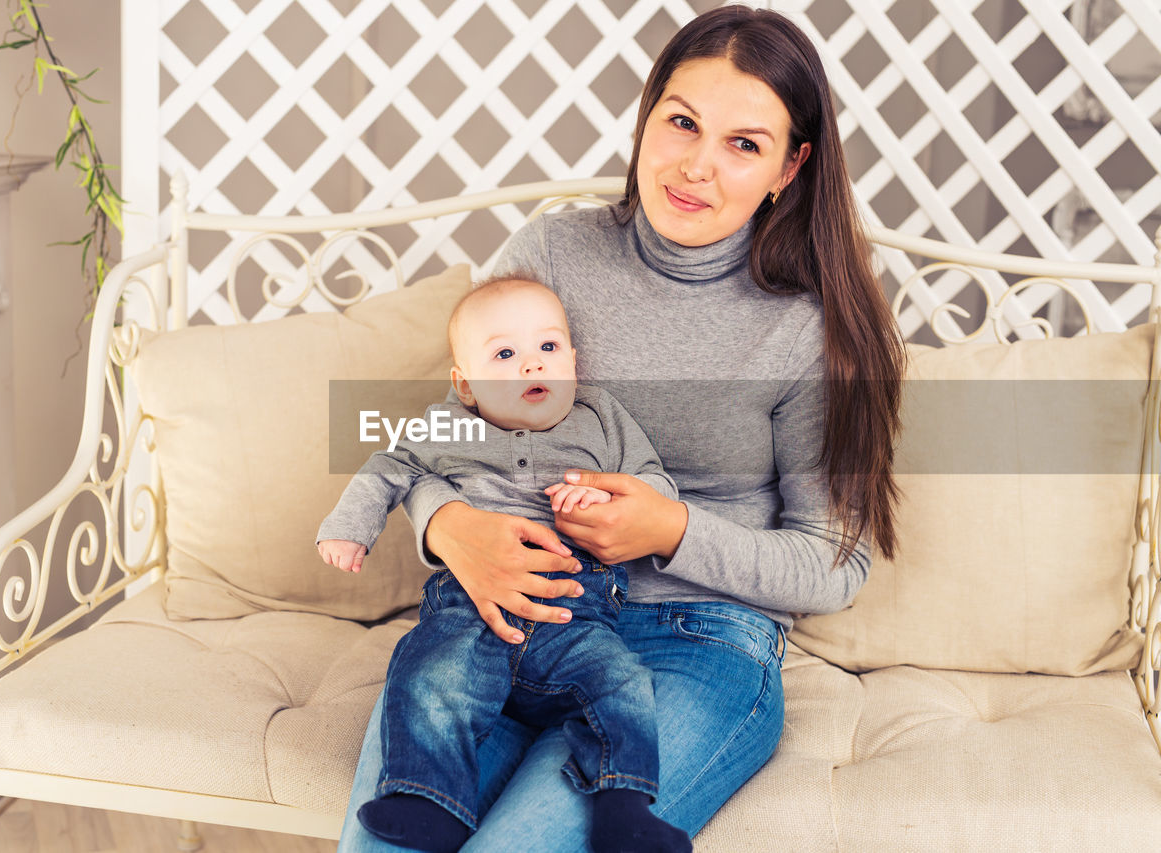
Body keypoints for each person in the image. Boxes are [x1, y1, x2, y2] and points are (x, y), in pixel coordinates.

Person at [340, 4, 905, 850]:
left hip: (698, 642)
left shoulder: (806, 327)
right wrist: (450, 528)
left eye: (743, 144)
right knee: (389, 838)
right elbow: (443, 439)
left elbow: (837, 562)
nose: (695, 166)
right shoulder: (553, 255)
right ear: (647, 119)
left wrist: (668, 528)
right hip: (505, 610)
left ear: (791, 166)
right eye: (681, 122)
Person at [318, 278, 689, 853]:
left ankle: (624, 805)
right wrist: (349, 527)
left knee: (623, 682)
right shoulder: (449, 426)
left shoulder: (602, 417)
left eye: (547, 348)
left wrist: (612, 499)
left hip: (577, 612)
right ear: (465, 385)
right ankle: (425, 799)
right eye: (504, 355)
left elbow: (654, 483)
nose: (529, 367)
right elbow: (388, 465)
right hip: (470, 603)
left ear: (573, 359)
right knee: (431, 671)